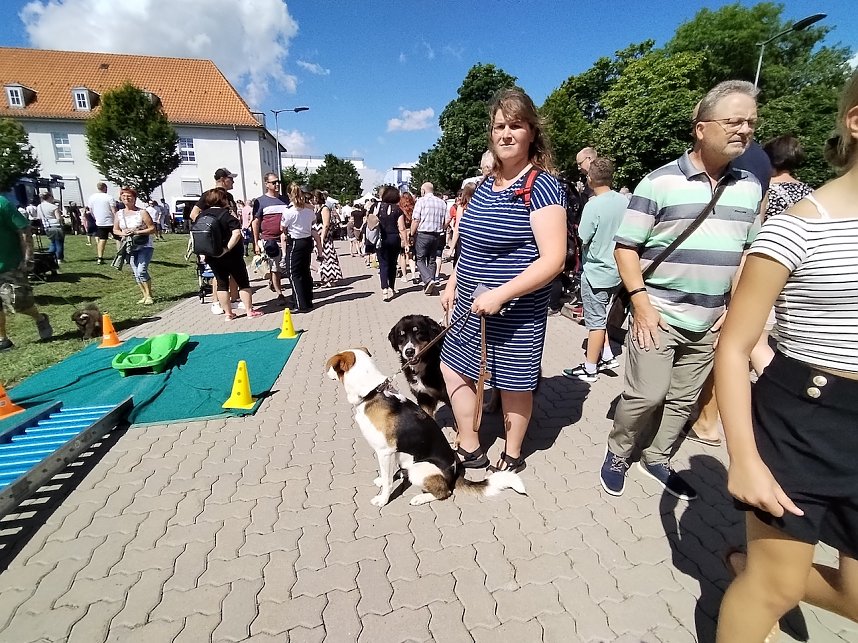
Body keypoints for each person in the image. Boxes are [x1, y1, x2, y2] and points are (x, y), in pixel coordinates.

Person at [714, 70, 858, 643]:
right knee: (774, 588)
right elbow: (735, 346)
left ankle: (765, 572)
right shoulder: (797, 229)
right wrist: (742, 457)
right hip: (803, 419)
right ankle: (763, 579)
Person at [599, 80, 763, 501]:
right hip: (659, 312)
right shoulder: (658, 182)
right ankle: (619, 451)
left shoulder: (750, 186)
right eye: (733, 121)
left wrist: (735, 307)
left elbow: (748, 254)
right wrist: (642, 304)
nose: (743, 130)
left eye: (750, 122)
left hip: (712, 318)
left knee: (683, 399)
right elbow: (626, 247)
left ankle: (658, 456)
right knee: (646, 395)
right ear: (701, 127)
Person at [440, 88, 567, 473]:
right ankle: (470, 444)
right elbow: (471, 246)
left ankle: (512, 454)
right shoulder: (484, 186)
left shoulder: (542, 185)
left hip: (516, 311)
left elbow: (554, 260)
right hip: (469, 305)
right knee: (452, 367)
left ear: (531, 132)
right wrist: (451, 281)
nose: (506, 133)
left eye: (515, 125)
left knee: (514, 384)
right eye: (499, 126)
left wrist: (502, 293)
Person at [562, 157, 627, 382]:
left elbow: (583, 236)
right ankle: (607, 355)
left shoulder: (594, 205)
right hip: (617, 269)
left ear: (590, 179)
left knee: (595, 322)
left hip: (596, 270)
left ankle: (590, 368)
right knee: (600, 315)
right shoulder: (624, 201)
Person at [197, 188, 262, 321]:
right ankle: (249, 311)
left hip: (212, 255)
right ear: (223, 200)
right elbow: (237, 233)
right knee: (242, 282)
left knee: (221, 283)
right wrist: (226, 248)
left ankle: (228, 314)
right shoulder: (226, 215)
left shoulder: (201, 216)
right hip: (231, 255)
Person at [0, 195, 53, 352]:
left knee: (18, 303)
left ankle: (40, 318)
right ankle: (3, 339)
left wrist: (28, 256)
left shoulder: (2, 204)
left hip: (9, 264)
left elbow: (23, 229)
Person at [113, 187, 157, 305]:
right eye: (124, 197)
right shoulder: (119, 214)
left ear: (134, 198)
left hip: (144, 245)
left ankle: (149, 295)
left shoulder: (142, 212)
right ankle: (144, 295)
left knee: (142, 270)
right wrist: (124, 233)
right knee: (136, 272)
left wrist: (137, 232)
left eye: (129, 196)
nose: (126, 199)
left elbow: (152, 228)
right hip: (129, 246)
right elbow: (115, 230)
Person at [251, 172, 291, 304]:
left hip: (286, 238)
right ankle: (280, 294)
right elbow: (255, 222)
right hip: (270, 240)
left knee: (288, 266)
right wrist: (256, 242)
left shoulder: (285, 200)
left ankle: (288, 289)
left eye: (278, 182)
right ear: (266, 184)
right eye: (273, 182)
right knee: (275, 267)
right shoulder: (260, 201)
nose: (277, 184)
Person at [281, 184, 321, 313]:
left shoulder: (289, 211)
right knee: (304, 271)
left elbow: (283, 227)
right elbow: (313, 222)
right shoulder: (309, 210)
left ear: (289, 195)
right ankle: (308, 300)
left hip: (296, 242)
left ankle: (300, 303)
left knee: (294, 273)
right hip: (307, 240)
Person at [410, 182, 447, 295]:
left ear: (424, 190)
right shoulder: (441, 203)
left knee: (420, 259)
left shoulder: (421, 201)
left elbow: (416, 219)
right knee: (432, 260)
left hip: (423, 234)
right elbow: (446, 220)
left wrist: (411, 233)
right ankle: (429, 286)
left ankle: (428, 280)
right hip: (436, 235)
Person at [375, 186, 405, 301]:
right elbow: (401, 227)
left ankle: (384, 289)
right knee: (393, 264)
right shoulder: (398, 210)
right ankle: (392, 287)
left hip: (380, 238)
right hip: (394, 238)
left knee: (383, 264)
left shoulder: (377, 207)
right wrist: (405, 242)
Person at [313, 190, 343, 288]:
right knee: (321, 258)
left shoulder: (324, 209)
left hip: (324, 237)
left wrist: (322, 238)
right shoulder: (316, 209)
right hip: (317, 236)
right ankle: (325, 278)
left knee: (328, 257)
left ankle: (331, 278)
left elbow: (326, 224)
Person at [87, 182, 117, 264]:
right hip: (111, 221)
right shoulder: (109, 197)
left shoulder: (92, 197)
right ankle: (121, 256)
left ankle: (100, 258)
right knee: (118, 238)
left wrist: (96, 218)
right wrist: (117, 219)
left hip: (100, 222)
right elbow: (114, 210)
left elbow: (91, 210)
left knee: (102, 239)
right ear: (104, 188)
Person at [36, 193, 64, 263]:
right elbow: (58, 218)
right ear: (49, 197)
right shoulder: (53, 207)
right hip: (56, 225)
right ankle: (59, 258)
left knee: (53, 242)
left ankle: (47, 257)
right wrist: (62, 217)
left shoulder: (39, 206)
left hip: (47, 226)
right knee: (59, 243)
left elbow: (39, 217)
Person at [397, 192, 417, 283]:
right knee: (411, 255)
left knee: (402, 256)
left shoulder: (399, 209)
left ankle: (405, 276)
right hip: (412, 233)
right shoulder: (414, 208)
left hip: (402, 234)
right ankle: (413, 274)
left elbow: (400, 226)